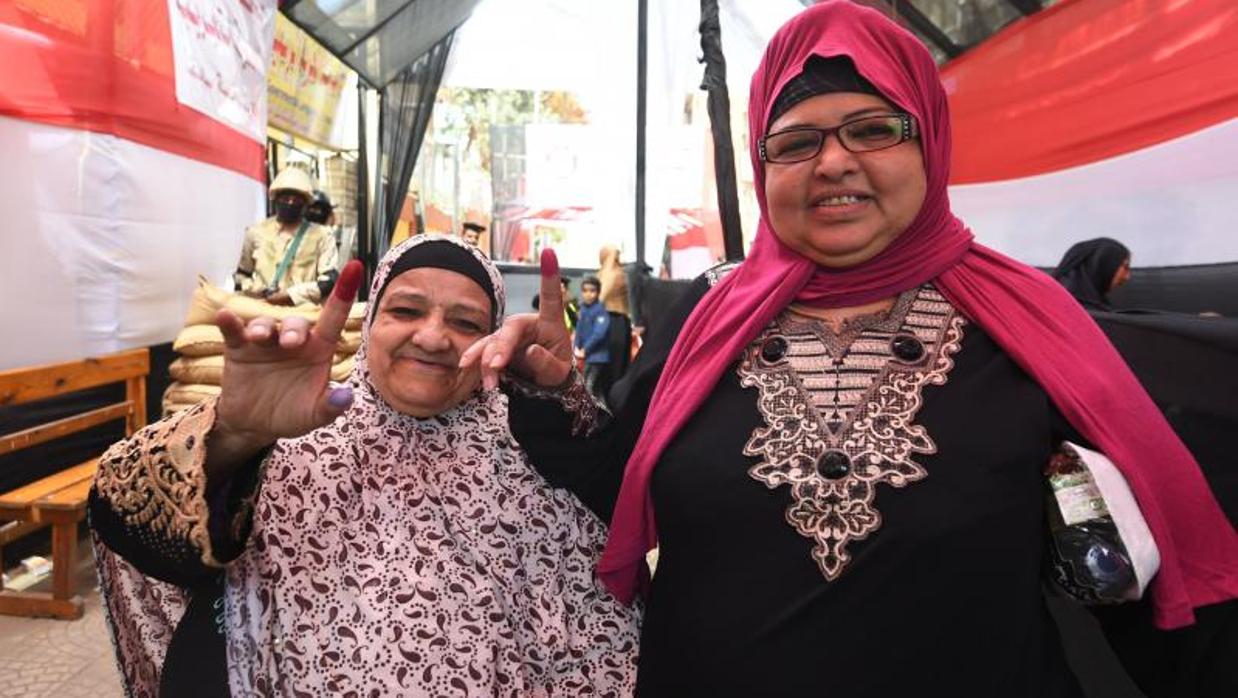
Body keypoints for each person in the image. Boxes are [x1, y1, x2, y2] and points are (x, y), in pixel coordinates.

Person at [462, 3, 1238, 696]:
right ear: (763, 168)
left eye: (873, 130)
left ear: (929, 142)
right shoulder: (709, 315)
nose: (834, 161)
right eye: (796, 142)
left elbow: (1155, 567)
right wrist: (552, 390)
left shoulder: (1028, 320)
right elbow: (612, 484)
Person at [89, 236, 639, 696]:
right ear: (370, 321)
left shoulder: (535, 446)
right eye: (405, 310)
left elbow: (624, 522)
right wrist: (237, 433)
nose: (431, 336)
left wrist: (562, 395)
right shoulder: (286, 441)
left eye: (467, 322)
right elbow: (123, 512)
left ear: (493, 340)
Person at [233, 168, 340, 306]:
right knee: (258, 328)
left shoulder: (322, 235)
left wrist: (291, 295)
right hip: (261, 308)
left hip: (302, 310)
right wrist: (256, 290)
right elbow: (241, 276)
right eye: (286, 198)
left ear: (305, 203)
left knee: (293, 328)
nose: (290, 203)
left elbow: (329, 281)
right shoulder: (255, 232)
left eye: (296, 200)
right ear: (276, 199)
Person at [1053, 237, 1131, 311]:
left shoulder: (1051, 303)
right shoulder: (1077, 312)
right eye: (1125, 267)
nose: (1127, 277)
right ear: (1102, 264)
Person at [574, 276, 611, 402]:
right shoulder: (583, 309)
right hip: (584, 355)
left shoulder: (600, 311)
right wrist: (576, 347)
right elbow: (579, 330)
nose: (588, 294)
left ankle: (591, 415)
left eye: (592, 291)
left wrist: (585, 349)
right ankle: (600, 413)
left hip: (597, 356)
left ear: (598, 292)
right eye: (585, 291)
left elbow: (599, 334)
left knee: (589, 386)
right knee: (593, 388)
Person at [598, 244, 633, 378]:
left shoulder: (607, 275)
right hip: (616, 323)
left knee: (609, 366)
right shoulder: (617, 275)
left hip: (610, 322)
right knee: (617, 366)